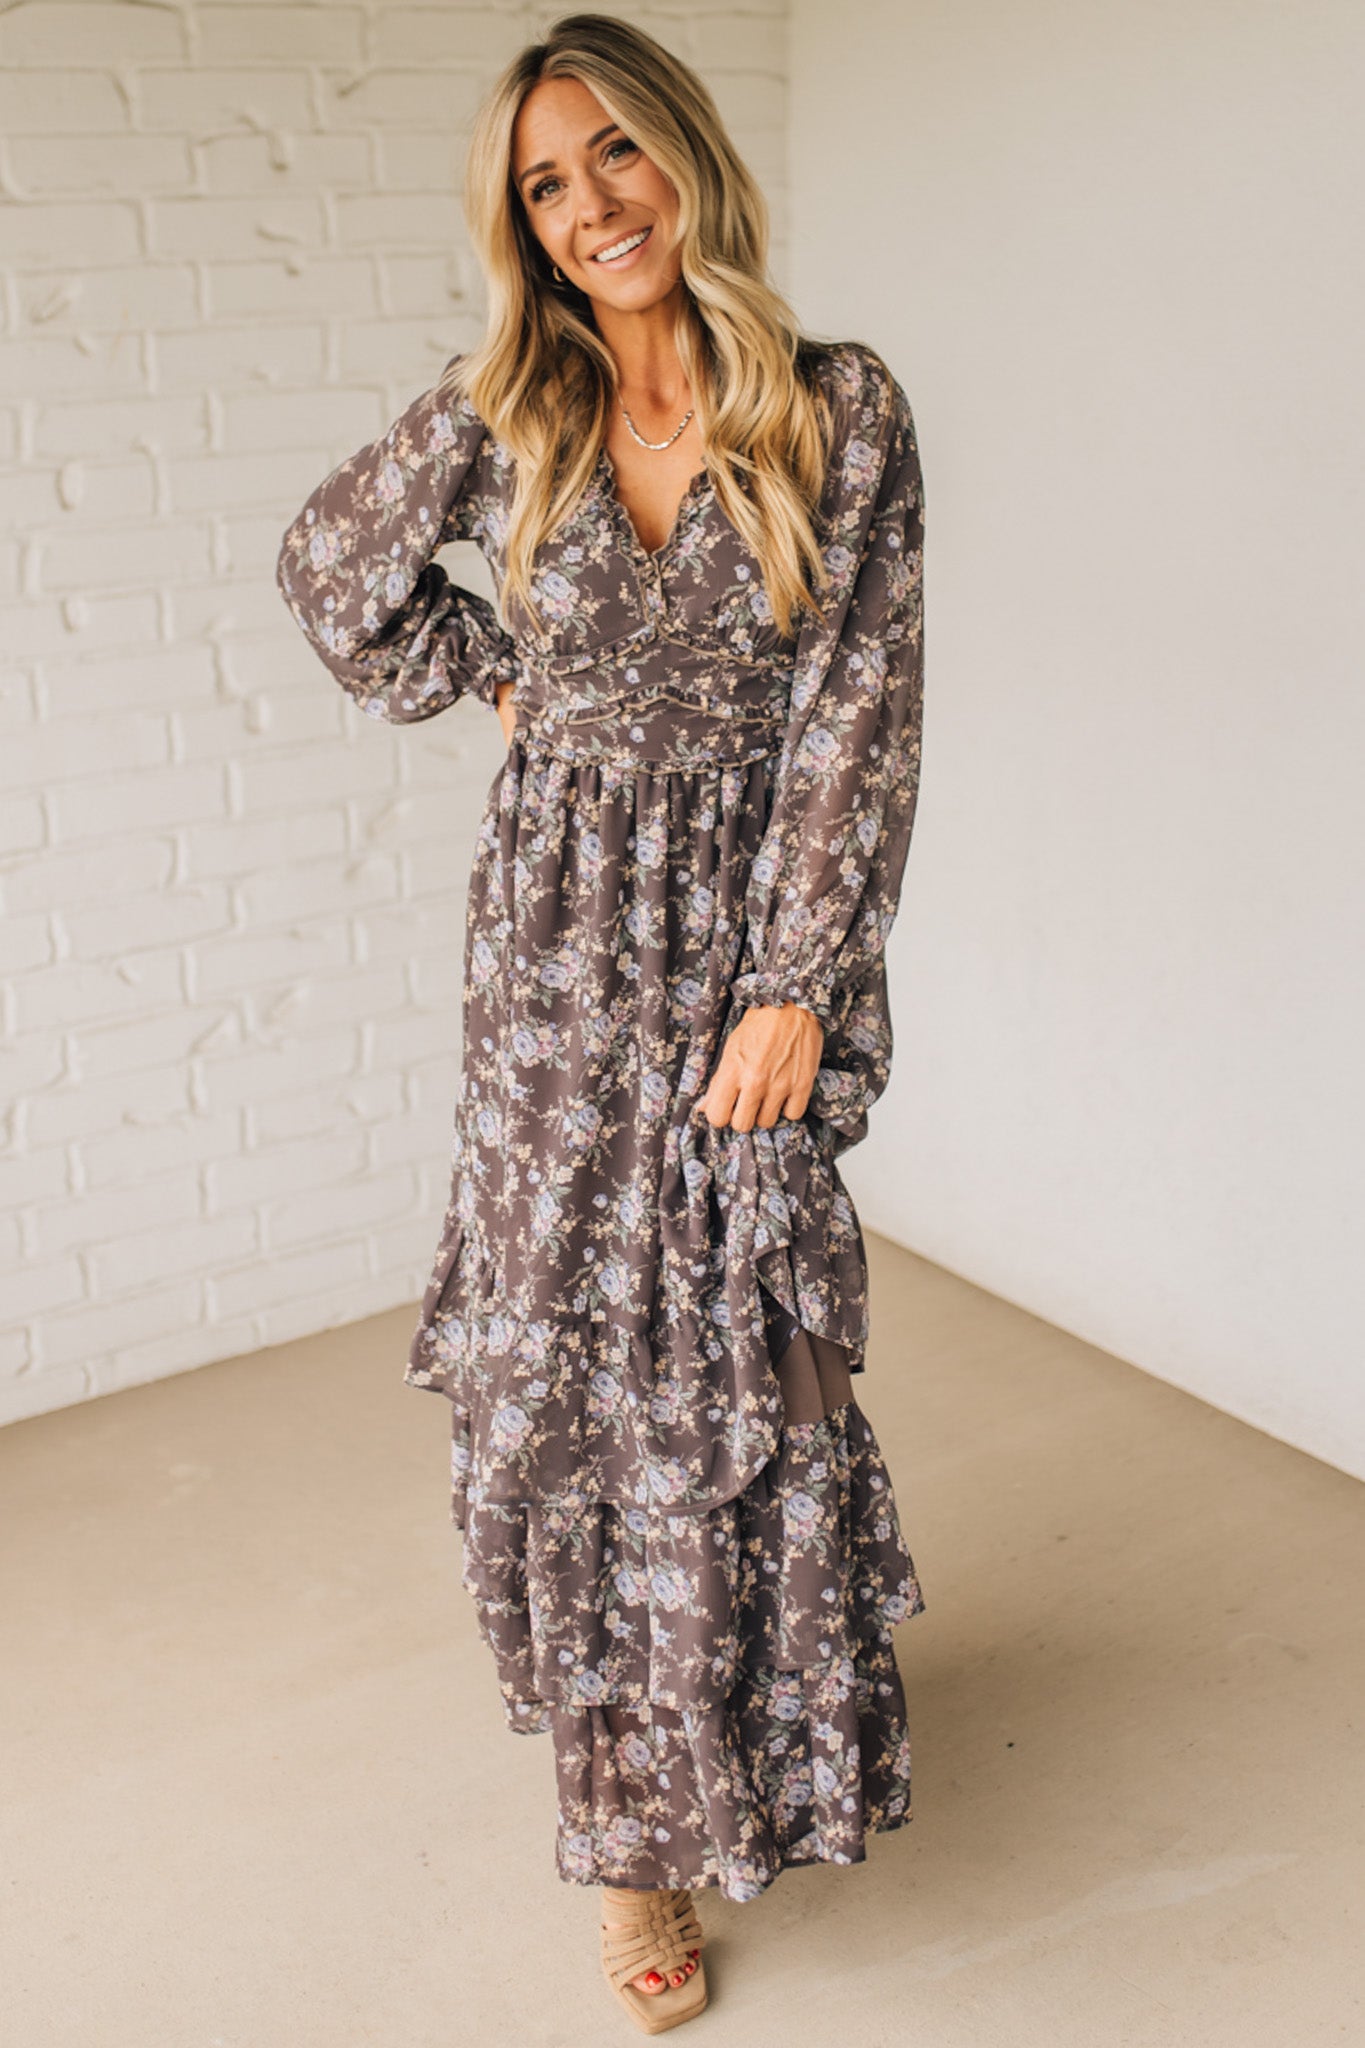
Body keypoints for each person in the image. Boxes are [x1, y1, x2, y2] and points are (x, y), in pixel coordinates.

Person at [275, 11, 927, 2034]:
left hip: (746, 951)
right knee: (579, 1384)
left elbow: (860, 711)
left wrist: (798, 983)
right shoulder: (509, 409)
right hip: (553, 969)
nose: (589, 210)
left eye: (613, 158)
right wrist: (496, 677)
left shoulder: (834, 403)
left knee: (746, 1349)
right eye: (546, 185)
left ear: (685, 159)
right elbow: (327, 570)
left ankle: (761, 1747)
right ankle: (632, 1852)